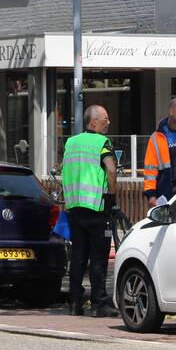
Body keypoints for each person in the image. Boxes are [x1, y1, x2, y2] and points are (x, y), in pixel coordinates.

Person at [61, 104, 118, 317]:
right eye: (105, 119)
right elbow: (111, 170)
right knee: (98, 258)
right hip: (97, 207)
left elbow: (64, 170)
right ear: (93, 122)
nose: (108, 122)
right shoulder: (102, 143)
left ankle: (75, 303)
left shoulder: (71, 143)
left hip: (75, 207)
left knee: (78, 257)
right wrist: (112, 198)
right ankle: (98, 303)